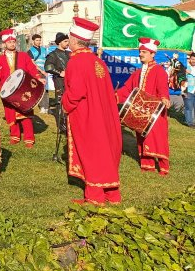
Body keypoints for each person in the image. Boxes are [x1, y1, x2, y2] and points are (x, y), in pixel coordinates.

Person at [63, 17, 122, 205]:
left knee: (92, 152)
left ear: (74, 40)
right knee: (105, 151)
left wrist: (65, 104)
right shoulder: (98, 61)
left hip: (87, 114)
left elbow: (76, 92)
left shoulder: (76, 61)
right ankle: (112, 194)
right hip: (103, 114)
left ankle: (95, 196)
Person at [116, 37, 171, 175]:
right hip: (139, 112)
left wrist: (164, 98)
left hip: (156, 112)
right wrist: (113, 96)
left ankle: (164, 167)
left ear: (153, 54)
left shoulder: (159, 71)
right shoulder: (137, 73)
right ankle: (147, 165)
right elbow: (126, 90)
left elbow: (163, 88)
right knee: (142, 137)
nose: (140, 54)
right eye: (140, 52)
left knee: (158, 138)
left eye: (144, 52)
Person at [0, 29, 44, 147]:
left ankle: (29, 138)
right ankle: (15, 135)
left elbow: (32, 69)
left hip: (23, 88)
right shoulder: (1, 59)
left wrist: (38, 78)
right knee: (11, 113)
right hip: (8, 90)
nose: (12, 44)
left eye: (13, 42)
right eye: (9, 42)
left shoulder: (24, 56)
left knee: (26, 112)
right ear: (5, 44)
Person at [44, 32, 70, 108]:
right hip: (59, 81)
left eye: (68, 41)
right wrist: (59, 73)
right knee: (60, 101)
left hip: (70, 80)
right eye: (65, 41)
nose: (67, 43)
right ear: (59, 42)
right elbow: (48, 67)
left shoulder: (70, 53)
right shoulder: (53, 54)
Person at [27, 34, 50, 114]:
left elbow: (47, 60)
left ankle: (46, 106)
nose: (39, 42)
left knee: (46, 90)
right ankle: (42, 106)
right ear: (33, 41)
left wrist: (47, 70)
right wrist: (41, 71)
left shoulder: (44, 49)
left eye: (40, 40)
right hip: (36, 73)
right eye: (37, 40)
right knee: (39, 90)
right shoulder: (30, 51)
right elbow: (32, 63)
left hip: (45, 72)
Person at [181, 52, 195, 128]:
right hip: (188, 91)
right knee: (189, 108)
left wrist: (191, 72)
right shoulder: (185, 66)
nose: (193, 61)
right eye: (192, 59)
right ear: (189, 59)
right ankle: (190, 123)